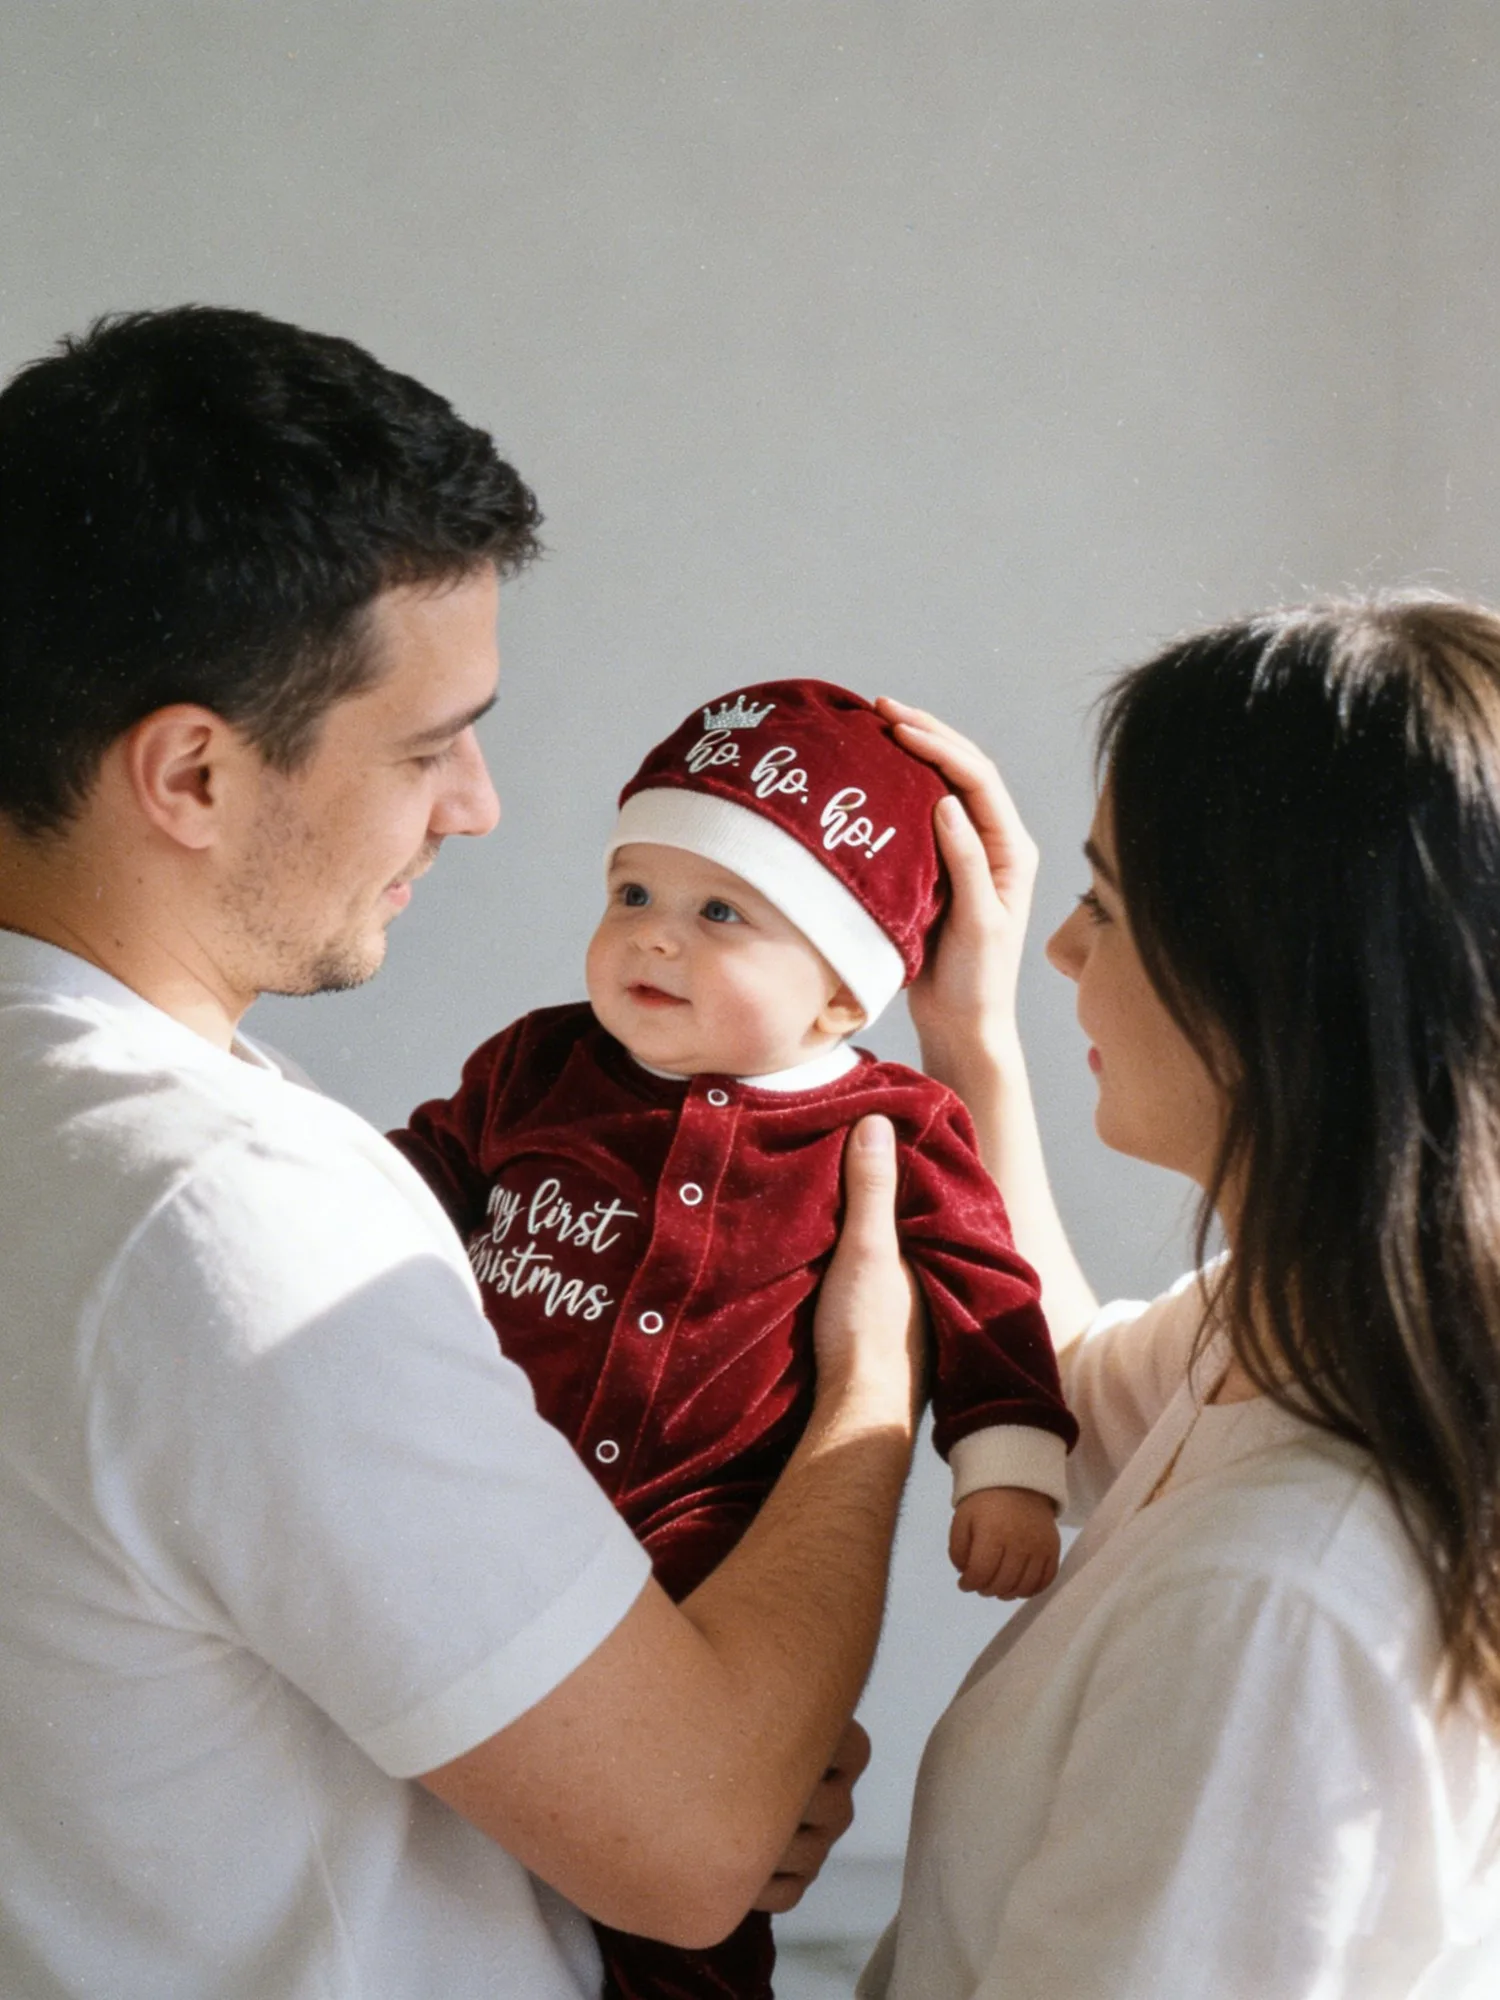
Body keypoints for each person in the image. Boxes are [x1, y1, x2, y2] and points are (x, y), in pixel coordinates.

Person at [0, 305, 920, 2000]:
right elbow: (704, 1834)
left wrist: (672, 1719)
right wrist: (869, 1401)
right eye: (430, 744)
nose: (480, 803)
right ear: (192, 772)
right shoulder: (221, 1216)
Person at [391, 676, 1078, 2000]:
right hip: (508, 1513)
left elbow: (983, 1288)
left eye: (721, 914)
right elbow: (416, 1176)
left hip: (716, 1552)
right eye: (631, 895)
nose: (653, 940)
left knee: (698, 1909)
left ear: (841, 991)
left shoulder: (889, 1124)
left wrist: (1007, 1465)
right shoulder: (537, 1066)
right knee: (486, 1816)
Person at [860, 598, 1500, 2000]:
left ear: (1275, 981)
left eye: (1105, 902)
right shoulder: (1316, 1327)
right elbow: (1078, 1397)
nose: (1062, 955)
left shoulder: (1274, 1609)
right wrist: (964, 1039)